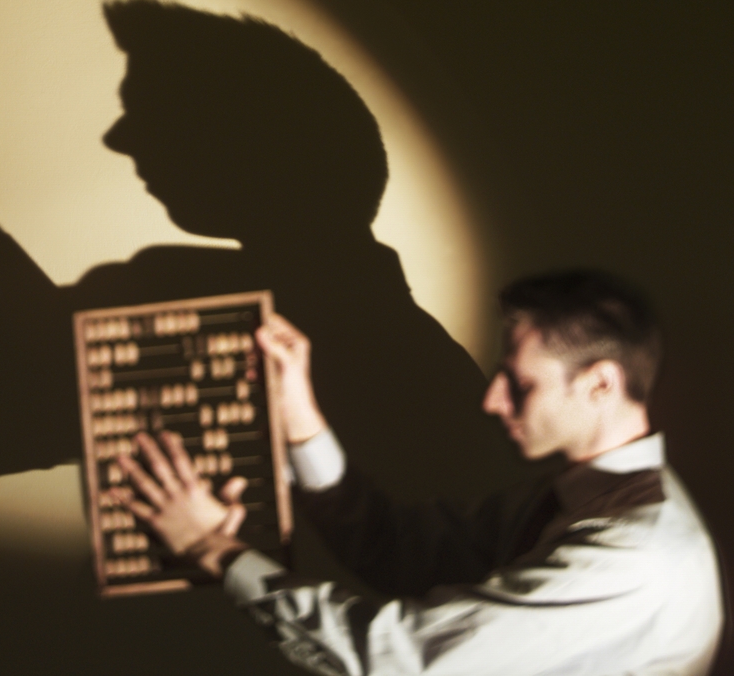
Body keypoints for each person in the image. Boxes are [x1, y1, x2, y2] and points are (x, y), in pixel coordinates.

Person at [0, 0, 525, 493]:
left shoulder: (301, 331)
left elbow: (3, 403)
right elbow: (23, 367)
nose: (118, 137)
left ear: (241, 142)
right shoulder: (359, 319)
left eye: (148, 109)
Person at [116, 269, 724, 675]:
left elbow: (395, 661)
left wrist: (210, 546)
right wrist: (301, 423)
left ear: (600, 385)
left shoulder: (634, 558)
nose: (491, 401)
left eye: (518, 383)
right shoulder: (576, 502)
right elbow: (396, 548)